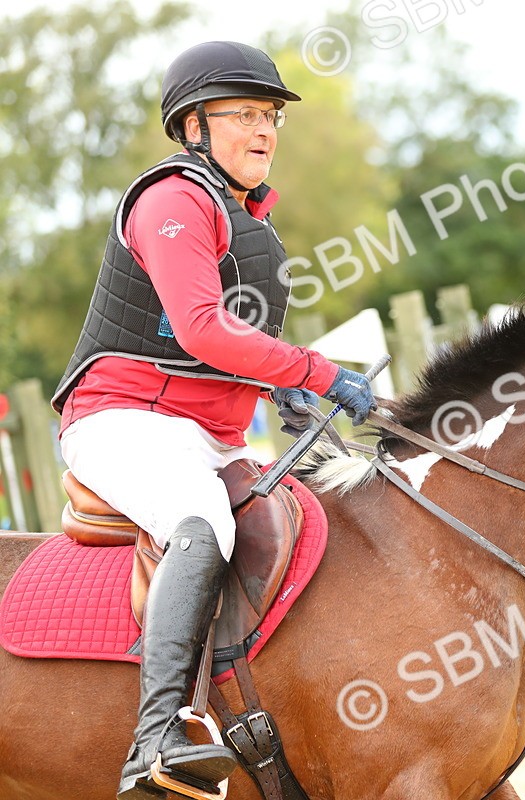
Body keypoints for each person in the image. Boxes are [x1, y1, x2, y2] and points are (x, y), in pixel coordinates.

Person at [51, 41, 376, 799]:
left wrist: (278, 393)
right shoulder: (174, 200)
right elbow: (198, 329)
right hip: (121, 420)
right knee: (206, 522)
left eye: (271, 117)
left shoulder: (247, 220)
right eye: (245, 115)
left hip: (205, 432)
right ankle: (157, 738)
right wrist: (315, 371)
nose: (264, 129)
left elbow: (216, 355)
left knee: (299, 516)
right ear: (194, 124)